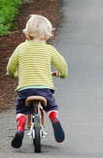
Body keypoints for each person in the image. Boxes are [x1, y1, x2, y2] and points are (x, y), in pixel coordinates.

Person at [6, 14, 67, 148]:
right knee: (50, 106)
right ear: (48, 35)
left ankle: (21, 127)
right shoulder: (50, 49)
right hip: (45, 88)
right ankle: (54, 118)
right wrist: (62, 74)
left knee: (21, 110)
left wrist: (13, 74)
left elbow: (10, 67)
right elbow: (63, 66)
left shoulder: (21, 48)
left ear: (27, 34)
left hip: (25, 89)